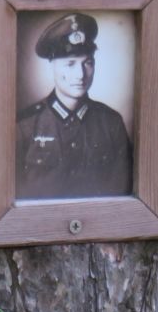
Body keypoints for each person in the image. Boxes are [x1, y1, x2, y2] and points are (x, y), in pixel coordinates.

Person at [15, 13, 133, 200]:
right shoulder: (24, 126)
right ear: (52, 66)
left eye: (87, 63)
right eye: (70, 64)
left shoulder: (111, 123)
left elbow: (122, 196)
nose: (80, 74)